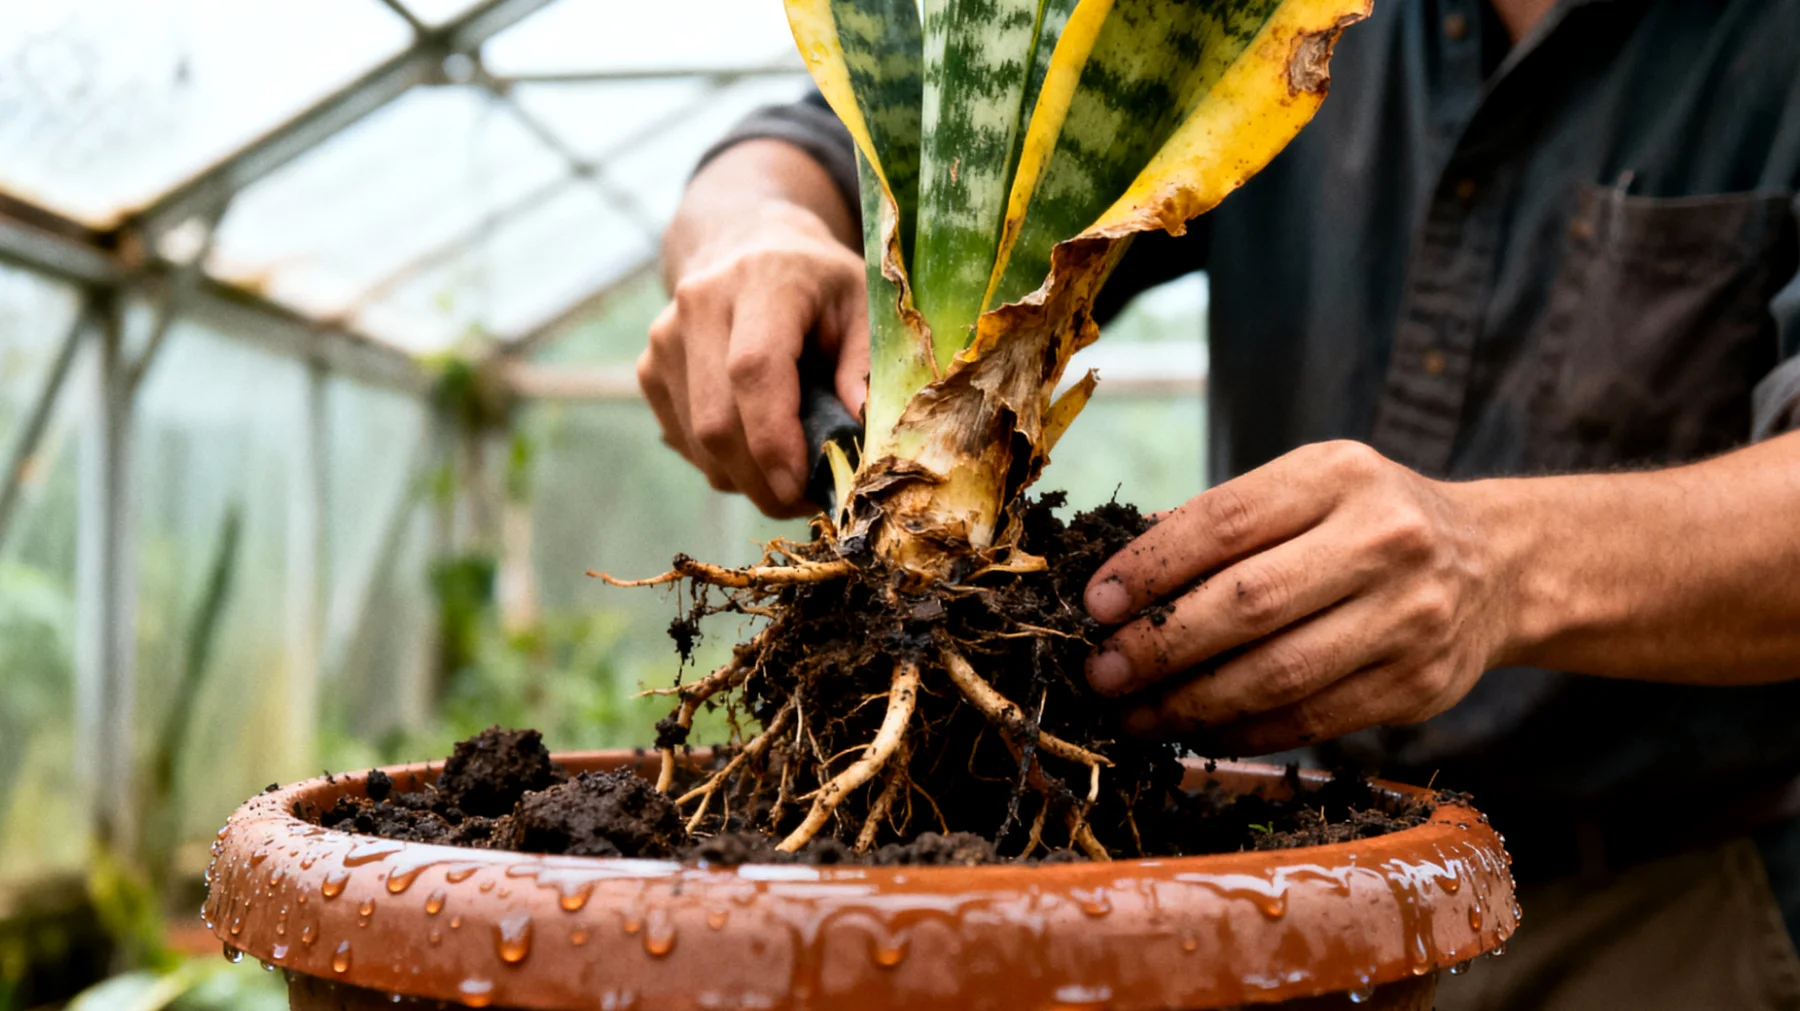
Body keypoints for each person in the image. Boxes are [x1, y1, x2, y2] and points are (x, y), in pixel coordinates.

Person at [640, 0, 1800, 1005]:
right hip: (1275, 869)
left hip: (1654, 904)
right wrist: (755, 233)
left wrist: (1497, 563)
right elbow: (803, 149)